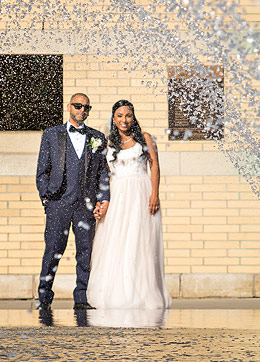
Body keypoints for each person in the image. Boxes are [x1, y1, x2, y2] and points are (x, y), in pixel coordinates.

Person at [86, 100, 171, 312]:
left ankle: (141, 294)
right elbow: (102, 175)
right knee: (115, 242)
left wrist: (155, 194)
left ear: (133, 117)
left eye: (128, 116)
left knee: (139, 242)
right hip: (118, 196)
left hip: (141, 195)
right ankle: (117, 293)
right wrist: (101, 200)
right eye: (120, 116)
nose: (124, 120)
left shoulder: (146, 138)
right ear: (113, 119)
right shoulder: (107, 143)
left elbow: (155, 166)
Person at [35, 92, 110, 312]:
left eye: (86, 107)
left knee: (85, 252)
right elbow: (42, 171)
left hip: (85, 205)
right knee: (52, 250)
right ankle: (44, 296)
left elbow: (102, 174)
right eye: (78, 106)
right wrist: (47, 198)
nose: (82, 110)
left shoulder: (97, 137)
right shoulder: (51, 135)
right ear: (69, 107)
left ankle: (81, 297)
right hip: (58, 203)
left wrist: (103, 198)